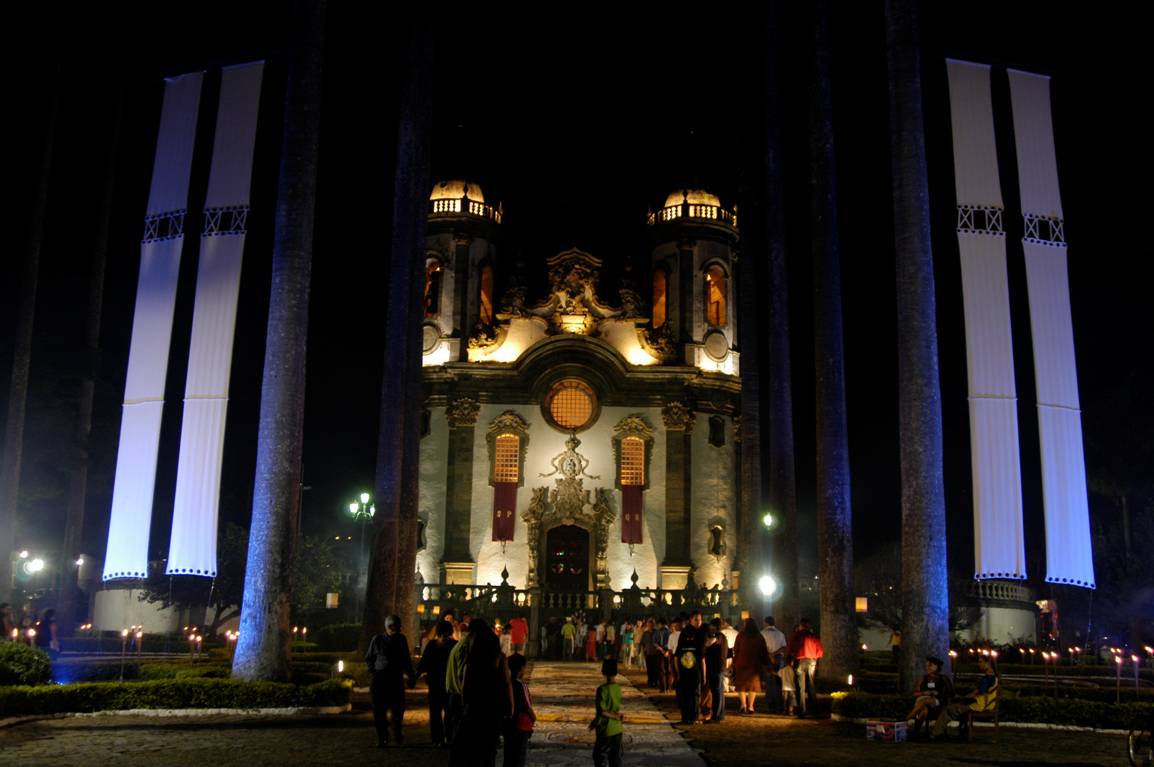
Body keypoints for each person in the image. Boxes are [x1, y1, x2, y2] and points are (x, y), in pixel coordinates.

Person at [458, 618, 513, 767]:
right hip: (494, 704)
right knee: (490, 746)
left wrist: (464, 704)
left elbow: (465, 685)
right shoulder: (499, 657)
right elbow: (507, 681)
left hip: (475, 704)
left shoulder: (473, 659)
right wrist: (510, 704)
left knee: (475, 744)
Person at [365, 614, 416, 748]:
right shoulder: (377, 639)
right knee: (379, 711)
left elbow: (406, 660)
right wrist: (373, 673)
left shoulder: (401, 639)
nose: (397, 629)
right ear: (388, 626)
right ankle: (382, 738)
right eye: (394, 627)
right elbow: (369, 658)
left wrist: (411, 675)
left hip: (395, 678)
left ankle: (397, 732)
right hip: (380, 679)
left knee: (398, 709)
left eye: (398, 627)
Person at [932, 655, 998, 740]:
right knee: (958, 707)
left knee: (949, 709)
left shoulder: (988, 678)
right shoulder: (994, 676)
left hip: (980, 705)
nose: (978, 664)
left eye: (981, 662)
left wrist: (966, 697)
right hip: (986, 704)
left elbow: (980, 692)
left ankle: (936, 734)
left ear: (988, 663)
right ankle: (962, 732)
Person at [416, 619, 457, 747]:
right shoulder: (432, 646)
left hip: (449, 684)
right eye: (442, 635)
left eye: (447, 635)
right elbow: (424, 663)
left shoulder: (454, 645)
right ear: (438, 634)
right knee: (435, 713)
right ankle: (437, 739)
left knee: (449, 712)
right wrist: (415, 676)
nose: (445, 638)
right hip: (435, 683)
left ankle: (449, 736)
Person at [906, 655, 953, 739]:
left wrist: (937, 693)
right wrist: (925, 693)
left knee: (927, 700)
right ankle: (916, 732)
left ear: (937, 666)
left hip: (936, 702)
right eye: (927, 665)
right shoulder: (924, 678)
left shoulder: (943, 678)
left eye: (930, 665)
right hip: (922, 700)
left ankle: (907, 718)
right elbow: (915, 693)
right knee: (924, 710)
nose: (928, 668)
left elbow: (950, 692)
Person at [785, 618, 823, 716]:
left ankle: (802, 710)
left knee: (800, 686)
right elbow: (820, 651)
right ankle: (814, 709)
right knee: (811, 685)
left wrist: (789, 660)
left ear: (801, 625)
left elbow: (790, 649)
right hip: (811, 661)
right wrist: (816, 660)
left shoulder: (796, 635)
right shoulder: (813, 636)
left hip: (799, 661)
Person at [732, 617, 770, 714]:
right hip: (754, 664)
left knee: (741, 685)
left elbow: (736, 648)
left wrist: (735, 661)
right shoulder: (759, 636)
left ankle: (743, 705)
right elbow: (763, 650)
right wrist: (767, 662)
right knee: (753, 686)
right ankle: (751, 707)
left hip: (742, 663)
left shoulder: (741, 635)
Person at [503, 653, 535, 767]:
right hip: (521, 726)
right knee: (519, 758)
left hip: (508, 725)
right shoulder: (522, 686)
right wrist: (534, 718)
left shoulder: (506, 684)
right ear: (521, 669)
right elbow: (527, 706)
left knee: (508, 756)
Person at [590, 657, 624, 767]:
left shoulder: (602, 689)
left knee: (600, 757)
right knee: (615, 759)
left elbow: (602, 711)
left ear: (603, 671)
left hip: (605, 729)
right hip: (617, 729)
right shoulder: (618, 688)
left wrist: (614, 717)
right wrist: (616, 717)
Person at [674, 611, 706, 724]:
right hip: (694, 672)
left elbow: (676, 658)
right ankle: (693, 717)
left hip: (684, 671)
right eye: (696, 620)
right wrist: (704, 675)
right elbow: (702, 659)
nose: (698, 622)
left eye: (700, 620)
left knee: (686, 695)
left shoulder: (683, 642)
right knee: (694, 695)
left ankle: (685, 717)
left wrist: (678, 672)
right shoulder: (698, 640)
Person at [703, 618, 729, 722]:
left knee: (716, 691)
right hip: (719, 666)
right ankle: (720, 715)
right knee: (719, 691)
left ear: (714, 626)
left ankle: (716, 715)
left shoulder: (718, 636)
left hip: (715, 667)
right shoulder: (722, 637)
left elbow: (708, 644)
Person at [760, 616, 787, 712]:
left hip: (767, 658)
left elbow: (761, 648)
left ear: (766, 623)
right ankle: (779, 704)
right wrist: (774, 654)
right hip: (778, 658)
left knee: (769, 681)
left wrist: (769, 654)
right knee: (778, 681)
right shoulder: (780, 634)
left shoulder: (762, 633)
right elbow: (784, 647)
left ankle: (771, 704)